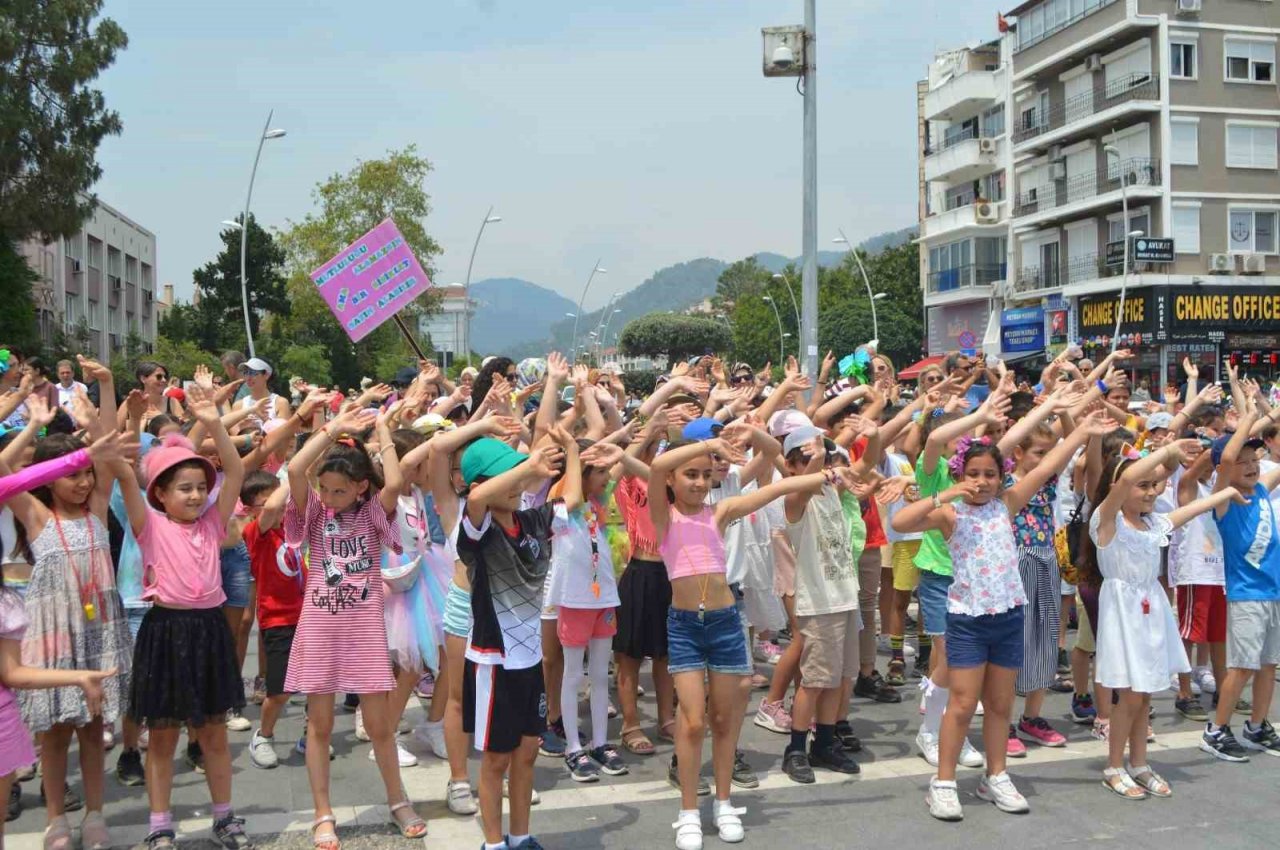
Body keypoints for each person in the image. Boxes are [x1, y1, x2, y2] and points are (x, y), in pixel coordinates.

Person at [894, 410, 1109, 820]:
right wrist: (946, 493)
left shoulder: (1007, 503)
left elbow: (1049, 463)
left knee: (1000, 703)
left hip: (1008, 617)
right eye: (972, 473)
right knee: (961, 703)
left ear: (1002, 477)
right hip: (968, 620)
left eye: (989, 474)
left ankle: (996, 777)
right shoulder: (951, 513)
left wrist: (1082, 430)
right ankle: (942, 783)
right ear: (961, 475)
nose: (980, 482)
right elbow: (902, 521)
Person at [649, 429, 839, 850]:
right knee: (694, 720)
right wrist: (708, 446)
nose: (698, 482)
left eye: (705, 475)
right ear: (672, 481)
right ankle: (687, 813)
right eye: (690, 475)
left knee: (725, 721)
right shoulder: (664, 516)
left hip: (725, 625)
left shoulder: (720, 512)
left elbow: (777, 490)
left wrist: (822, 476)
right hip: (684, 627)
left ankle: (722, 803)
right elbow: (658, 464)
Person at [110, 383, 250, 850]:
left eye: (199, 489)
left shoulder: (213, 522)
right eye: (183, 489)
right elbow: (127, 475)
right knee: (163, 736)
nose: (194, 496)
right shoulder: (148, 524)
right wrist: (129, 421)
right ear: (161, 494)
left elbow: (233, 469)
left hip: (209, 630)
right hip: (165, 631)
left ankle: (226, 816)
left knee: (212, 733)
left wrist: (212, 422)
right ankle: (159, 823)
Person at [282, 403, 427, 848]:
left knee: (381, 727)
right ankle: (322, 812)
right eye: (324, 489)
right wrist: (331, 430)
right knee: (319, 726)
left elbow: (397, 480)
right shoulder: (314, 512)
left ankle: (397, 799)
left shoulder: (371, 513)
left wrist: (383, 427)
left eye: (339, 491)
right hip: (320, 628)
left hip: (364, 629)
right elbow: (294, 468)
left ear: (362, 487)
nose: (328, 497)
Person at [1083, 441, 1242, 798]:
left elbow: (1191, 510)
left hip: (1151, 611)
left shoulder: (1153, 523)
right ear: (1119, 489)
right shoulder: (1105, 521)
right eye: (1144, 485)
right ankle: (1113, 765)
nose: (1152, 491)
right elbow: (1126, 481)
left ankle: (1139, 763)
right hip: (1123, 615)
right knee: (1132, 695)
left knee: (1146, 694)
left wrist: (1225, 492)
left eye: (1155, 486)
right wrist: (1167, 448)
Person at [457, 433, 576, 850]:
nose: (516, 482)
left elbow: (573, 498)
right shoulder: (477, 528)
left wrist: (573, 450)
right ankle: (493, 844)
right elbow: (476, 499)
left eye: (517, 473)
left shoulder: (531, 522)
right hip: (494, 660)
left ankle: (521, 836)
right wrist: (527, 466)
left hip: (530, 662)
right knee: (496, 760)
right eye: (504, 475)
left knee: (527, 753)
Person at [777, 424, 879, 784]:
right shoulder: (795, 501)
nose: (820, 465)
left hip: (844, 598)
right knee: (815, 680)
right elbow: (800, 491)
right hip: (818, 604)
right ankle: (795, 748)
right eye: (805, 459)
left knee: (841, 679)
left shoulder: (833, 492)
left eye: (823, 457)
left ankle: (825, 742)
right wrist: (817, 461)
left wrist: (874, 433)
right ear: (790, 467)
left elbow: (868, 461)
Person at [546, 440, 629, 783]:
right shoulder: (559, 507)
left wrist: (646, 428)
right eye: (600, 472)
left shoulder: (600, 502)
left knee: (599, 676)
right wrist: (573, 453)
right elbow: (574, 496)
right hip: (574, 600)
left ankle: (599, 741)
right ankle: (574, 746)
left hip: (604, 599)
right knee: (572, 675)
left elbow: (625, 461)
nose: (607, 477)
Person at [1202, 411, 1280, 760]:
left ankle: (1257, 726)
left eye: (1255, 459)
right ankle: (1216, 730)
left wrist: (1267, 413)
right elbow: (1228, 456)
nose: (1251, 465)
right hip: (1247, 595)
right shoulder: (1224, 502)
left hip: (1273, 592)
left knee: (1268, 664)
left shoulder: (1262, 489)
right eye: (1243, 461)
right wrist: (1249, 418)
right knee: (1243, 666)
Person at [240, 472, 305, 769]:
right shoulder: (256, 533)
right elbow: (270, 509)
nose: (279, 508)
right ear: (252, 510)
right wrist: (293, 477)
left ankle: (311, 734)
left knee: (316, 686)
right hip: (277, 619)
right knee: (280, 691)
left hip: (307, 616)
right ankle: (263, 735)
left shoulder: (290, 528)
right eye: (268, 504)